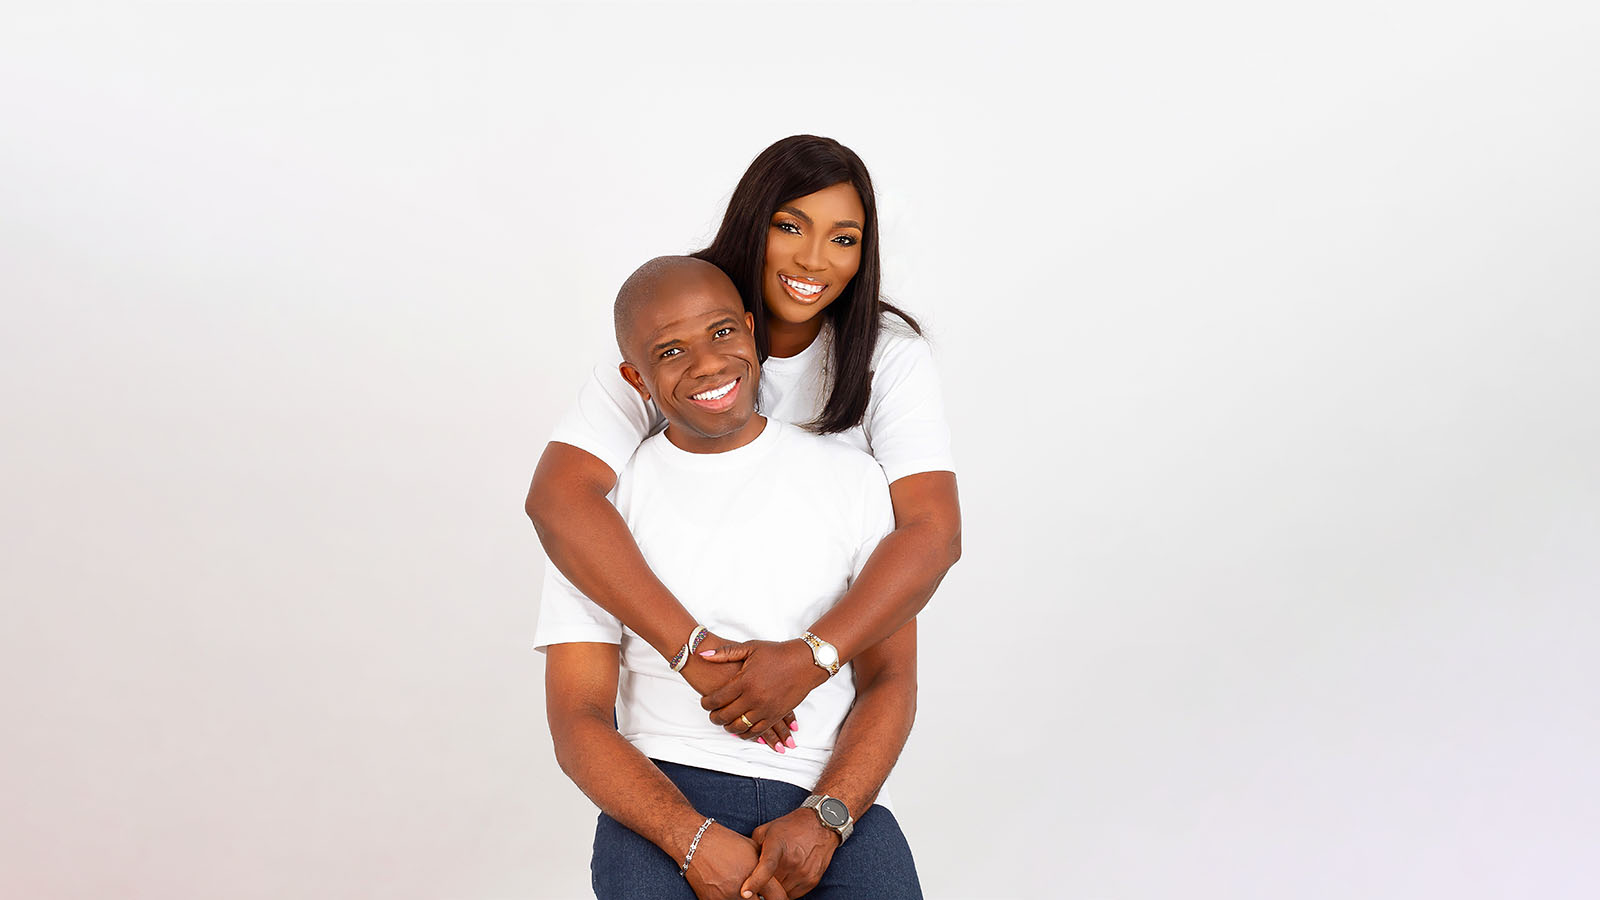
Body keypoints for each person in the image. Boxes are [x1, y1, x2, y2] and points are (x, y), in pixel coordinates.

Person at [526, 135, 960, 747]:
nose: (813, 261)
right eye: (790, 227)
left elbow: (934, 531)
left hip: (822, 690)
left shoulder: (887, 356)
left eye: (844, 239)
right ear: (754, 223)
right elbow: (560, 497)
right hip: (677, 699)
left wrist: (809, 659)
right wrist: (694, 654)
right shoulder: (672, 318)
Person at [538, 256, 922, 899]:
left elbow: (891, 679)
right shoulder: (601, 517)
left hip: (826, 800)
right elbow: (578, 719)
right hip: (665, 799)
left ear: (751, 330)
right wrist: (688, 837)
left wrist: (826, 818)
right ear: (635, 378)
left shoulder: (854, 482)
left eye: (721, 333)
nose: (708, 364)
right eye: (671, 351)